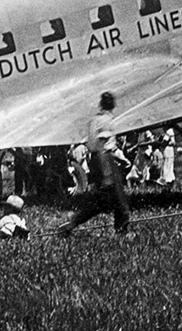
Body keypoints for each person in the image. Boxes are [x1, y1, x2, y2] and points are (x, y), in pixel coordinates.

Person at [55, 92, 131, 236]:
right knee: (118, 199)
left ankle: (72, 223)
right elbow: (103, 145)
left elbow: (95, 144)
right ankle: (122, 231)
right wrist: (107, 173)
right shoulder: (106, 121)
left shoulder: (95, 120)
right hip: (105, 160)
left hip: (97, 159)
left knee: (105, 200)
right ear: (112, 104)